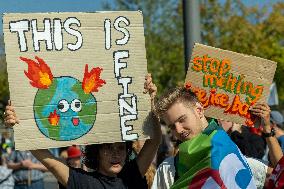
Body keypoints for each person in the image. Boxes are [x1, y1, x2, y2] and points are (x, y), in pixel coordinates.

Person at [4, 74, 161, 189]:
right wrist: (18, 124)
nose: (115, 154)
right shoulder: (82, 182)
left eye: (120, 148)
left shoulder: (132, 175)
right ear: (96, 151)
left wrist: (151, 100)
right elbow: (49, 161)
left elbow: (154, 141)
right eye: (108, 147)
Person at [151, 87, 256, 188]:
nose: (178, 130)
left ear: (199, 110)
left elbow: (270, 175)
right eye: (172, 126)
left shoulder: (231, 153)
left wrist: (268, 132)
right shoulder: (167, 169)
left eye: (182, 120)